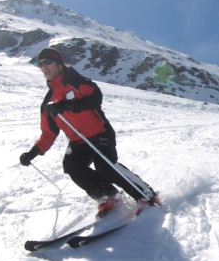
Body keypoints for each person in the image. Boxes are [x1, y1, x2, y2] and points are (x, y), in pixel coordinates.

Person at [19, 47, 158, 217]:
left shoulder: (75, 80)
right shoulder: (48, 103)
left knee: (105, 167)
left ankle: (145, 194)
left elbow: (95, 97)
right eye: (41, 64)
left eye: (48, 62)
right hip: (78, 141)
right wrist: (32, 153)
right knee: (72, 165)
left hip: (100, 133)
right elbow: (48, 133)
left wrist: (66, 106)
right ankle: (108, 196)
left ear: (59, 64)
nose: (44, 67)